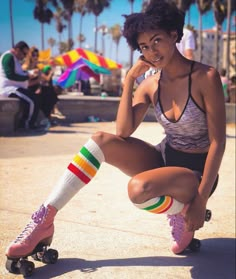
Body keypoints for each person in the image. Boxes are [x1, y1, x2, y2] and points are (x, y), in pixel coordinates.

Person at [5, 0, 226, 263]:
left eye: (157, 41)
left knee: (138, 189)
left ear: (173, 35)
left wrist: (200, 201)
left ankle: (181, 210)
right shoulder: (150, 84)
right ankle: (44, 219)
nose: (152, 51)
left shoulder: (205, 77)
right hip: (165, 158)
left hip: (198, 173)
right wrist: (130, 80)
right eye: (144, 46)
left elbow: (217, 142)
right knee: (100, 141)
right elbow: (123, 130)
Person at [0, 41, 41, 129]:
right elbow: (10, 75)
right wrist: (27, 77)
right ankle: (28, 124)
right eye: (24, 53)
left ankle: (26, 123)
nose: (24, 56)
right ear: (17, 50)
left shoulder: (15, 58)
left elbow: (19, 72)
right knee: (32, 101)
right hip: (9, 88)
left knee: (33, 99)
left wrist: (30, 73)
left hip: (15, 87)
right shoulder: (8, 57)